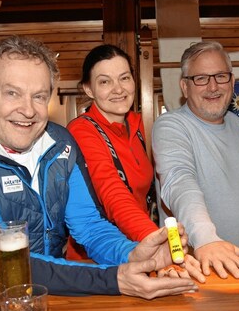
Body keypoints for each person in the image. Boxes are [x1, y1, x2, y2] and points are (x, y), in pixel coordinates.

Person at [0, 35, 198, 298]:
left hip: (50, 288)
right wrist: (113, 279)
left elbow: (89, 226)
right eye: (13, 93)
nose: (28, 110)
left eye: (39, 96)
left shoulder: (60, 141)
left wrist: (133, 254)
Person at [65, 44, 204, 281]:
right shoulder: (81, 130)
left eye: (124, 78)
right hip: (100, 259)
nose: (118, 89)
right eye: (104, 82)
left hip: (142, 246)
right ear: (88, 89)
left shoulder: (138, 125)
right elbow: (113, 193)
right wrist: (157, 239)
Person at [152, 41, 239, 280]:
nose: (213, 86)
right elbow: (179, 181)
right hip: (193, 269)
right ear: (185, 87)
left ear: (232, 82)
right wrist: (206, 239)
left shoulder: (236, 124)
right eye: (201, 78)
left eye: (220, 76)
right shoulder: (171, 125)